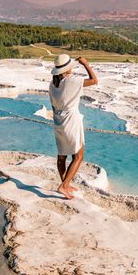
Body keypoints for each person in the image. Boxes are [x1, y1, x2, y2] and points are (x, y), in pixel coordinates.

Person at [48, 54, 98, 199]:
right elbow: (94, 80)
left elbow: (52, 106)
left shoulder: (52, 85)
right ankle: (63, 186)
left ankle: (65, 183)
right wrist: (86, 64)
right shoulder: (73, 81)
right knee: (78, 156)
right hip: (71, 120)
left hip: (58, 121)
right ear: (68, 68)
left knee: (62, 156)